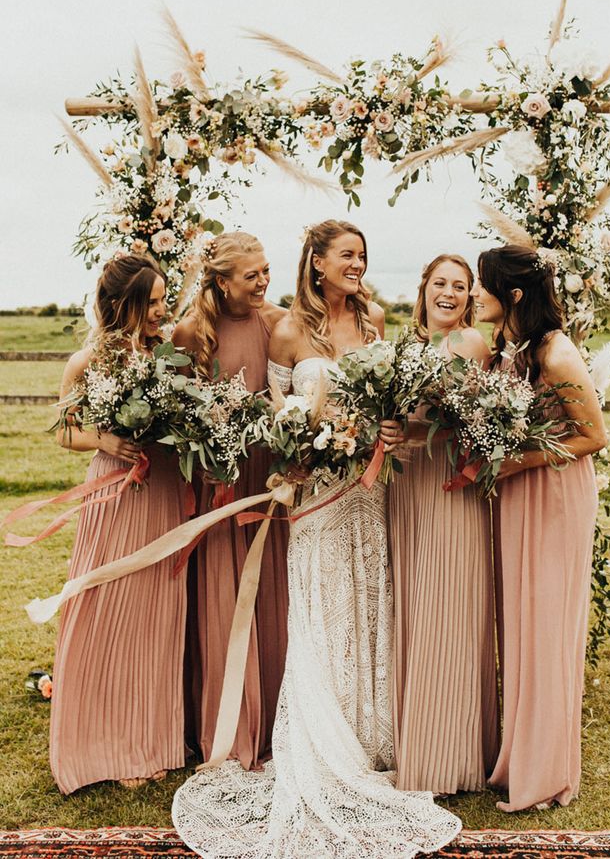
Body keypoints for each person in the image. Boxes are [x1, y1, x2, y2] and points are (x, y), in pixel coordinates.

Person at [172, 220, 460, 859]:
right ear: (318, 263)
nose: (358, 265)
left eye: (364, 254)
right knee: (322, 607)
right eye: (348, 256)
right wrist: (309, 441)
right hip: (316, 492)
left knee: (366, 600)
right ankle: (322, 736)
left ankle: (372, 735)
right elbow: (280, 416)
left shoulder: (378, 319)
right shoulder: (288, 331)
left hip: (371, 488)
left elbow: (393, 399)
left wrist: (386, 431)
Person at [472, 245, 608, 812]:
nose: (477, 296)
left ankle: (546, 774)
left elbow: (592, 436)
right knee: (522, 625)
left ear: (514, 296)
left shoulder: (555, 353)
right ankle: (518, 757)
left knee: (547, 627)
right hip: (518, 494)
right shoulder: (510, 349)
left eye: (484, 286)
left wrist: (517, 461)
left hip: (552, 495)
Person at [50, 254, 187, 793]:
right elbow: (64, 431)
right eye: (151, 302)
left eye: (161, 301)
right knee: (109, 608)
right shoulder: (87, 362)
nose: (161, 310)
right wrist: (105, 440)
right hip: (115, 491)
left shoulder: (170, 355)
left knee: (157, 611)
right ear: (121, 305)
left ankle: (149, 740)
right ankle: (102, 740)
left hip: (164, 491)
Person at [172, 232, 289, 770]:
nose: (264, 281)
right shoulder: (190, 333)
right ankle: (224, 725)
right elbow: (174, 415)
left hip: (268, 480)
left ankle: (274, 723)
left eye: (266, 270)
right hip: (219, 482)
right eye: (252, 275)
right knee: (221, 595)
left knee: (270, 595)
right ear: (221, 282)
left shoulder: (278, 322)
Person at [385, 254, 500, 795]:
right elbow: (396, 419)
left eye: (460, 286)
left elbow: (478, 420)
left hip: (454, 484)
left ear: (471, 297)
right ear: (423, 288)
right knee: (415, 605)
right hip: (407, 485)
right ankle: (417, 744)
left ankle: (451, 755)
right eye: (440, 283)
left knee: (451, 605)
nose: (449, 293)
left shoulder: (472, 346)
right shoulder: (403, 349)